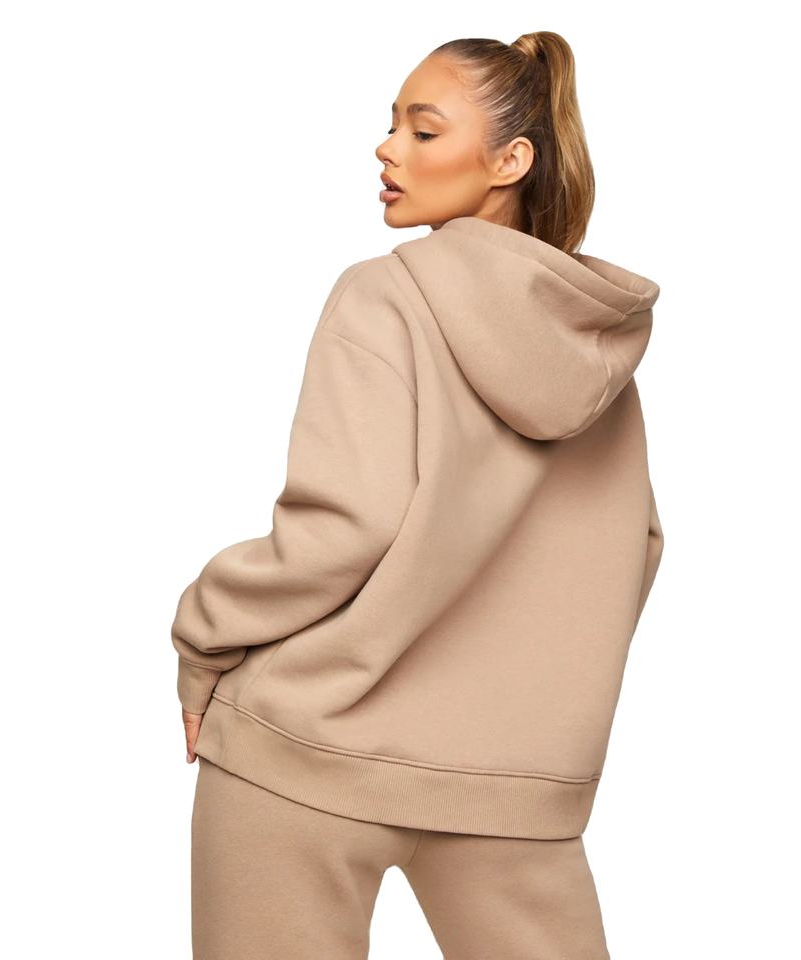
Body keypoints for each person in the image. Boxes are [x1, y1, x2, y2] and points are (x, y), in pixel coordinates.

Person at [173, 31, 664, 960]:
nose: (387, 148)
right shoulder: (596, 352)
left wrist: (201, 633)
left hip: (305, 752)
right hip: (512, 783)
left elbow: (342, 530)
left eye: (423, 131)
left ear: (510, 161)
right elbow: (632, 552)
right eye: (392, 125)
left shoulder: (385, 297)